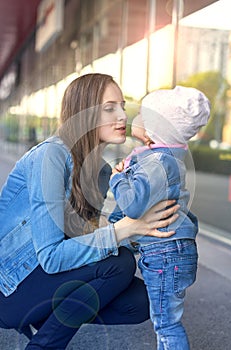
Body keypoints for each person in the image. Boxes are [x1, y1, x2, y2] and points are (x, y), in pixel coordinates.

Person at [0, 73, 179, 350]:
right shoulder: (50, 157)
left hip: (42, 282)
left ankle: (47, 318)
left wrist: (146, 225)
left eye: (122, 105)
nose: (122, 115)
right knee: (118, 264)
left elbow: (84, 243)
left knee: (140, 301)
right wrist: (123, 230)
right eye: (109, 108)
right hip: (9, 286)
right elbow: (51, 257)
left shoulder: (102, 171)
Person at [109, 85, 211, 350]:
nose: (135, 118)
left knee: (166, 325)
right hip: (168, 252)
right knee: (165, 320)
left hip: (164, 253)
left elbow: (133, 206)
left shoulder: (158, 162)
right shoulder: (162, 158)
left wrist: (118, 179)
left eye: (143, 114)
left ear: (156, 128)